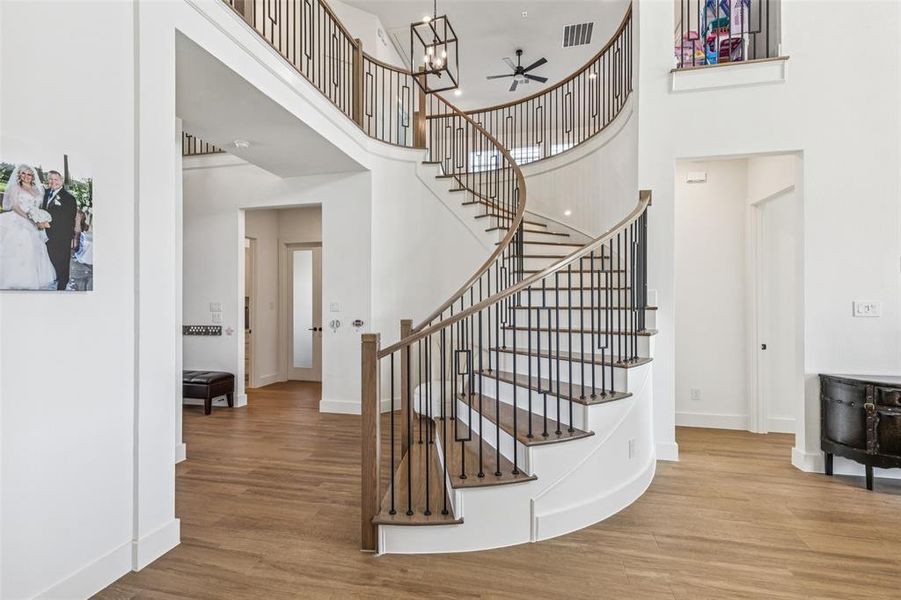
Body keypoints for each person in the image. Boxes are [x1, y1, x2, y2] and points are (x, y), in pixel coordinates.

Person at [0, 164, 57, 289]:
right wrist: (30, 218)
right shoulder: (15, 188)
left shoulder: (38, 190)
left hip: (34, 221)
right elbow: (15, 206)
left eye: (29, 174)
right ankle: (13, 279)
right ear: (19, 175)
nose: (26, 176)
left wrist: (39, 218)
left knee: (36, 248)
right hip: (18, 219)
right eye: (23, 174)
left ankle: (33, 278)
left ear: (32, 176)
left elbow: (38, 207)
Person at [42, 170, 78, 290]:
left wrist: (48, 224)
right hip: (45, 234)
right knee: (50, 259)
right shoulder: (45, 193)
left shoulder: (69, 198)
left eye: (56, 179)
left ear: (61, 181)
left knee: (62, 261)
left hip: (61, 236)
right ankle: (53, 279)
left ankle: (62, 285)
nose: (53, 182)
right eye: (50, 179)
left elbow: (68, 219)